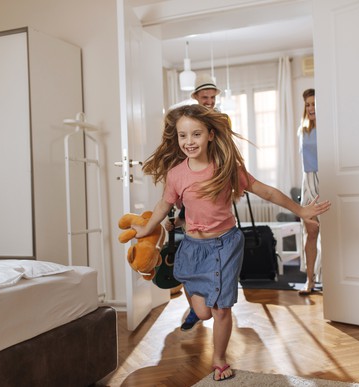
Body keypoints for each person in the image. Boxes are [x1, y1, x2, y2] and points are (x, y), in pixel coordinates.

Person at [133, 104, 330, 381]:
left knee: (221, 308)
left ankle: (219, 359)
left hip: (225, 245)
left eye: (196, 134)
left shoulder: (226, 168)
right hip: (192, 248)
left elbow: (266, 191)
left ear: (211, 135)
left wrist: (301, 211)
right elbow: (164, 206)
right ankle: (195, 300)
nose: (189, 142)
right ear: (176, 139)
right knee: (203, 313)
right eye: (183, 136)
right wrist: (147, 229)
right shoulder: (177, 174)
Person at [171, 73, 223, 332]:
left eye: (214, 98)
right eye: (206, 98)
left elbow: (228, 148)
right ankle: (194, 305)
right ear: (195, 98)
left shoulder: (219, 122)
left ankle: (206, 305)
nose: (210, 102)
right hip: (190, 183)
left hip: (214, 182)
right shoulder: (186, 120)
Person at [297, 88, 322, 295]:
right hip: (309, 181)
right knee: (311, 232)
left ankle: (332, 278)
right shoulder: (303, 129)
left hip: (327, 178)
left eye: (314, 104)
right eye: (308, 104)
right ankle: (310, 280)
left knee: (333, 233)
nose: (311, 108)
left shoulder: (330, 126)